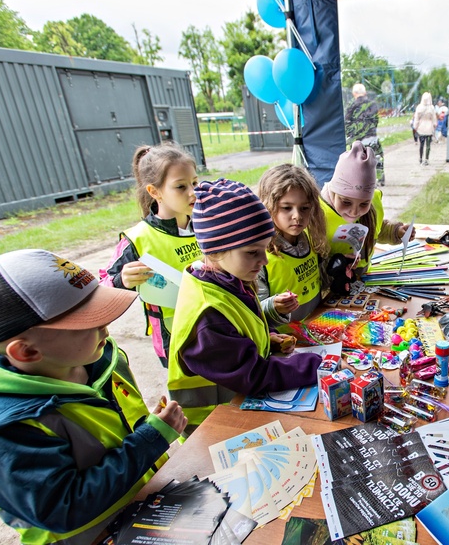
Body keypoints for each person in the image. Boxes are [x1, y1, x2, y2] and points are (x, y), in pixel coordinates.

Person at [0, 249, 187, 544]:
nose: (106, 330)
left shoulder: (97, 356)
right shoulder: (8, 428)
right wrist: (150, 439)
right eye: (91, 324)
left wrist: (149, 433)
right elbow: (62, 508)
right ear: (28, 352)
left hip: (146, 504)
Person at [167, 179, 323, 434]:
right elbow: (254, 374)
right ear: (216, 250)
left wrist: (265, 339)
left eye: (263, 249)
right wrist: (317, 364)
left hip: (238, 405)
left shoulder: (228, 276)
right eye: (252, 252)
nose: (264, 260)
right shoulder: (208, 314)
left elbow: (236, 330)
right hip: (215, 425)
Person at [100, 143, 201, 368]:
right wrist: (121, 280)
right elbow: (102, 287)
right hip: (176, 341)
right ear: (155, 192)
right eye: (181, 187)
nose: (193, 192)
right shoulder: (137, 239)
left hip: (218, 329)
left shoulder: (207, 225)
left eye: (194, 182)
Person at [321, 141, 412, 282]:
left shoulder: (373, 206)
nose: (354, 211)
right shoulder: (317, 213)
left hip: (361, 279)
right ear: (333, 191)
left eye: (364, 203)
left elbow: (376, 231)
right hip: (330, 287)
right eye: (346, 202)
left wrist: (396, 232)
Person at [255, 164, 329, 324]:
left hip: (317, 330)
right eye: (286, 208)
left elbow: (319, 284)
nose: (297, 216)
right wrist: (274, 307)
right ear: (267, 207)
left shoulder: (311, 238)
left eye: (304, 208)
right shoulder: (259, 255)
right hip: (286, 343)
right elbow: (255, 314)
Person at [344, 83, 385, 185]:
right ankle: (380, 178)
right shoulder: (372, 104)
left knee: (357, 159)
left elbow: (347, 123)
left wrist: (353, 134)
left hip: (357, 139)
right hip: (371, 137)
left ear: (354, 93)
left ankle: (360, 179)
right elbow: (375, 120)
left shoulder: (351, 105)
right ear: (365, 92)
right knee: (378, 155)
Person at [413, 92, 438, 165]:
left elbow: (416, 119)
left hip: (421, 127)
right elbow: (434, 118)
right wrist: (434, 125)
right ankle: (426, 159)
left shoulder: (419, 107)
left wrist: (415, 127)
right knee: (428, 145)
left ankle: (420, 158)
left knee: (421, 144)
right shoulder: (431, 107)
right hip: (429, 127)